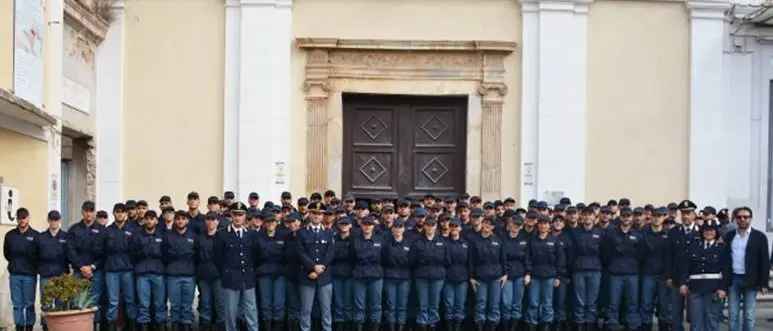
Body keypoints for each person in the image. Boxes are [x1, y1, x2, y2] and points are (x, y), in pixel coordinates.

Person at [215, 202, 260, 331]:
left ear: (245, 216)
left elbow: (256, 255)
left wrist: (251, 271)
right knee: (230, 311)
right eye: (235, 214)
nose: (238, 218)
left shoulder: (251, 234)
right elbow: (217, 257)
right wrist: (226, 272)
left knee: (251, 309)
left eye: (240, 215)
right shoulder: (222, 234)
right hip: (230, 277)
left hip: (247, 276)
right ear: (231, 216)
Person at [725, 206, 770, 331]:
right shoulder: (730, 236)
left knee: (749, 314)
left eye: (745, 217)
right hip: (734, 278)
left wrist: (764, 283)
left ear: (751, 219)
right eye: (739, 217)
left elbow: (764, 261)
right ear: (735, 219)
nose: (742, 219)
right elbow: (726, 258)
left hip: (751, 279)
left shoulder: (759, 236)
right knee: (733, 313)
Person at [679, 222, 731, 331]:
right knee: (696, 320)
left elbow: (726, 269)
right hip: (695, 287)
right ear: (702, 232)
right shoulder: (693, 246)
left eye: (712, 230)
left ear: (716, 232)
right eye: (706, 230)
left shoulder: (722, 247)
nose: (709, 232)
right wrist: (683, 283)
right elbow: (686, 266)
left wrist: (723, 288)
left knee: (711, 319)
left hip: (713, 288)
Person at [295, 202, 336, 331]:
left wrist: (319, 269)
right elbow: (300, 252)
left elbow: (330, 253)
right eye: (314, 213)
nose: (317, 216)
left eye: (319, 213)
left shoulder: (329, 232)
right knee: (306, 310)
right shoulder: (302, 232)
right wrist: (313, 267)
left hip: (324, 276)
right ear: (309, 214)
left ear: (323, 215)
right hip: (307, 275)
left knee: (326, 309)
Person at [97, 203, 137, 331]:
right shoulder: (106, 231)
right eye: (117, 212)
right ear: (114, 213)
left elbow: (136, 250)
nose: (120, 214)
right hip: (111, 270)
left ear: (126, 214)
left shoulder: (132, 231)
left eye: (122, 212)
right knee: (112, 302)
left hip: (128, 270)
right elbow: (100, 250)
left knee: (130, 301)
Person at [67, 201, 106, 330]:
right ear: (82, 212)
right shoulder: (74, 229)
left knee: (95, 301)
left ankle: (95, 326)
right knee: (78, 301)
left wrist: (93, 266)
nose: (89, 213)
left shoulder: (102, 230)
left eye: (91, 211)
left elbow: (104, 252)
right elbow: (70, 250)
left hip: (96, 271)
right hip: (79, 271)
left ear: (94, 213)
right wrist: (81, 267)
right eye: (86, 211)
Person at [525, 215, 566, 331]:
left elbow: (560, 259)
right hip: (534, 275)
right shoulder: (532, 240)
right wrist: (528, 273)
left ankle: (546, 323)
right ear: (538, 225)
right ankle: (532, 324)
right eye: (541, 223)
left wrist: (558, 276)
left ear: (549, 225)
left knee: (547, 302)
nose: (543, 226)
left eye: (545, 223)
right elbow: (528, 257)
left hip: (549, 276)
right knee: (533, 302)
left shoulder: (555, 240)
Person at [3, 207, 39, 331]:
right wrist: (15, 264)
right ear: (17, 219)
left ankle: (29, 326)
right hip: (15, 274)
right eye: (19, 218)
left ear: (28, 218)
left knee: (29, 304)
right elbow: (6, 253)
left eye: (24, 218)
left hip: (30, 275)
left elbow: (38, 254)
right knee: (17, 304)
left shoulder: (36, 236)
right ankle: (19, 326)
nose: (22, 220)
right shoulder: (10, 235)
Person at [410, 217, 448, 331]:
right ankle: (423, 324)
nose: (430, 227)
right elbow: (412, 260)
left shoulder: (442, 242)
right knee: (423, 303)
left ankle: (432, 325)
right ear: (424, 226)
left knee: (434, 304)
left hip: (437, 276)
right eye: (428, 225)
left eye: (432, 225)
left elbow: (447, 260)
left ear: (436, 226)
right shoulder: (417, 242)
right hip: (422, 276)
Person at [132, 211, 167, 331]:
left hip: (158, 272)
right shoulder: (137, 236)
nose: (149, 221)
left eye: (152, 219)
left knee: (159, 303)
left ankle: (160, 326)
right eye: (147, 219)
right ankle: (144, 326)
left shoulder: (162, 235)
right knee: (143, 304)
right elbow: (132, 254)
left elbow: (167, 254)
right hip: (142, 273)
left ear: (156, 221)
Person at [569, 207, 603, 331]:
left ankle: (590, 323)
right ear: (581, 217)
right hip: (579, 269)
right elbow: (571, 252)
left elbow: (605, 252)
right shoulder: (575, 232)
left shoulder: (600, 233)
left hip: (595, 269)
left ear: (594, 217)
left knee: (592, 300)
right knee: (579, 300)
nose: (587, 217)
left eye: (590, 215)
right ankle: (579, 323)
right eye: (585, 215)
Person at [163, 210, 197, 331]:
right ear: (175, 220)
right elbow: (163, 255)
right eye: (178, 219)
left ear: (187, 220)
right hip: (173, 274)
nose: (180, 221)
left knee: (187, 304)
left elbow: (196, 254)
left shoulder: (193, 235)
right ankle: (175, 324)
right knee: (175, 304)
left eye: (183, 219)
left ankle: (187, 324)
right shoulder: (167, 236)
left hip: (189, 274)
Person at [37, 210, 69, 331]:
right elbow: (34, 255)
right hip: (46, 274)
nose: (54, 222)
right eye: (51, 219)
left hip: (61, 274)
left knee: (61, 302)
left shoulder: (66, 236)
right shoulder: (41, 237)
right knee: (46, 303)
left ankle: (59, 328)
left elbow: (70, 254)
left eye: (56, 219)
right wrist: (40, 268)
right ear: (48, 220)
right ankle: (46, 327)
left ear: (60, 220)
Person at [351, 216, 385, 331]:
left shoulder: (380, 240)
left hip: (376, 276)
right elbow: (352, 257)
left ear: (373, 226)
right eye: (365, 224)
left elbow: (385, 257)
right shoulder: (355, 240)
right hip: (359, 275)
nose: (367, 226)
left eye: (369, 224)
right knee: (359, 306)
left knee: (376, 306)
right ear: (361, 225)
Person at [255, 212, 288, 331]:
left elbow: (287, 256)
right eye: (268, 221)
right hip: (264, 273)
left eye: (272, 221)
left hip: (279, 274)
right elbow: (254, 256)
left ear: (276, 222)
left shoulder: (283, 237)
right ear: (264, 223)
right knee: (266, 304)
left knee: (279, 303)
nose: (270, 223)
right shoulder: (258, 237)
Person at [197, 212, 225, 331]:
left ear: (218, 221)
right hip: (204, 275)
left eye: (213, 219)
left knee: (220, 305)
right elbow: (196, 256)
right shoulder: (200, 238)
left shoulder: (223, 237)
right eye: (208, 219)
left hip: (219, 276)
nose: (210, 222)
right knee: (205, 304)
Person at [442, 218, 468, 331]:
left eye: (456, 226)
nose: (454, 228)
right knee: (448, 304)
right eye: (451, 226)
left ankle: (457, 326)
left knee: (460, 304)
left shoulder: (465, 243)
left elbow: (470, 261)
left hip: (462, 278)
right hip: (448, 278)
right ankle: (449, 326)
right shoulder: (443, 243)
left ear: (460, 228)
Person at [331, 216, 354, 331]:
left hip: (350, 274)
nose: (344, 226)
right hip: (336, 273)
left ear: (350, 225)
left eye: (346, 224)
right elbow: (331, 255)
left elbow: (355, 256)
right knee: (338, 302)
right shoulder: (333, 239)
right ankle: (339, 325)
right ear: (338, 225)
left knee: (348, 302)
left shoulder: (354, 239)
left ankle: (348, 325)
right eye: (342, 224)